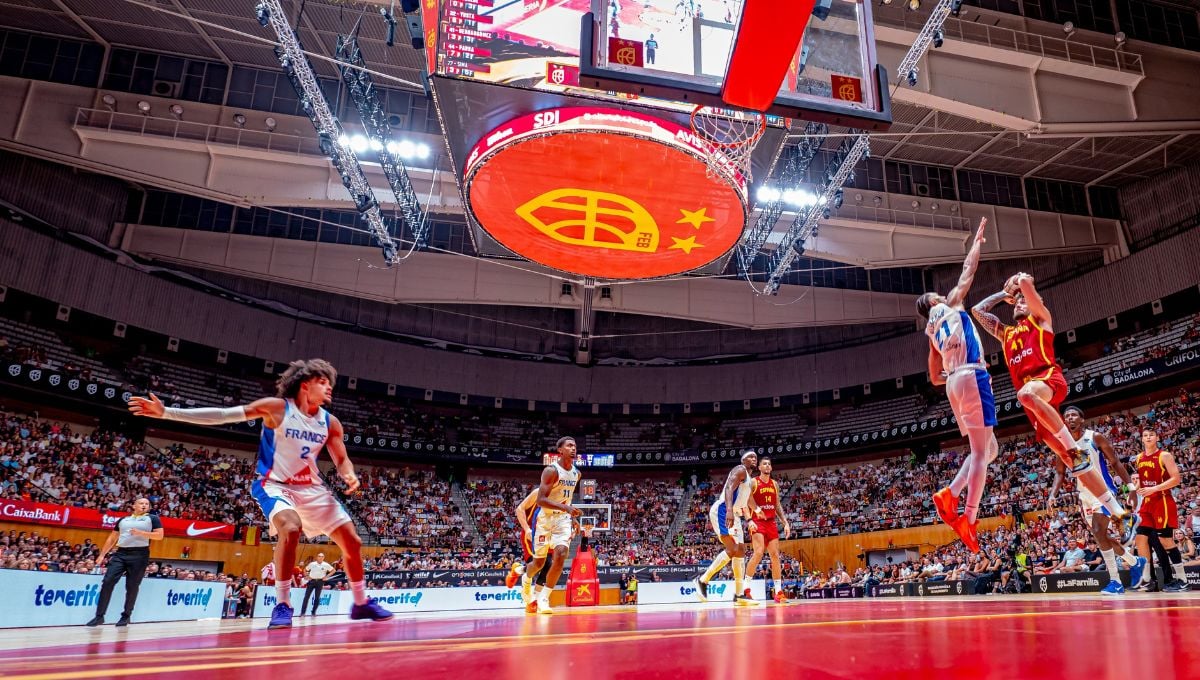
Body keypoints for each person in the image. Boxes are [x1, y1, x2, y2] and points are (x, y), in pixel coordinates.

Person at [128, 358, 393, 629]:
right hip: (275, 484)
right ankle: (283, 604)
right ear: (305, 385)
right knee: (291, 528)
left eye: (330, 384)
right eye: (322, 382)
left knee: (353, 542)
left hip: (312, 488)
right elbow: (224, 415)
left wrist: (348, 473)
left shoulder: (330, 422)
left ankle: (360, 603)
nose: (329, 388)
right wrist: (167, 412)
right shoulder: (277, 408)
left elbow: (341, 459)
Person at [972, 272, 1136, 542]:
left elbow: (1028, 287)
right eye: (1017, 302)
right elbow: (978, 311)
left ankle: (1075, 450)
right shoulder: (1006, 334)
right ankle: (1121, 514)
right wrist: (1005, 294)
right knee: (1075, 466)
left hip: (1048, 380)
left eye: (1024, 301)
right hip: (1034, 403)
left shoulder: (1041, 319)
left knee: (1025, 394)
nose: (1019, 303)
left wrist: (1022, 281)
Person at [917, 218, 997, 553]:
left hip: (952, 383)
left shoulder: (930, 331)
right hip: (971, 374)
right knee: (980, 452)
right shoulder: (949, 303)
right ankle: (969, 516)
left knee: (989, 450)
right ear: (932, 301)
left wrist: (952, 373)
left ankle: (950, 492)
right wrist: (976, 243)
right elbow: (968, 270)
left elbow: (933, 375)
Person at [1046, 406, 1146, 594]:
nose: (1070, 418)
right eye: (1067, 416)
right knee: (1102, 537)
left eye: (1074, 415)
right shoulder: (1063, 444)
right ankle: (1135, 562)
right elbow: (1060, 473)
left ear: (1082, 419)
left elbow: (1115, 462)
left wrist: (1131, 487)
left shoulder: (1095, 437)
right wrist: (1053, 494)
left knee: (1099, 532)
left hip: (1103, 489)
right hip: (1084, 496)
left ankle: (1115, 581)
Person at [521, 437, 582, 615]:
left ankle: (544, 598)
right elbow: (541, 500)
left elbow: (567, 499)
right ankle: (526, 579)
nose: (573, 448)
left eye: (575, 446)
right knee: (539, 563)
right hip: (544, 519)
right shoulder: (551, 470)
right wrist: (566, 508)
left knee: (561, 554)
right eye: (569, 446)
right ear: (560, 450)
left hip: (562, 520)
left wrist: (571, 516)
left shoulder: (577, 474)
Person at [692, 450, 761, 606]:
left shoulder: (749, 480)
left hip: (736, 514)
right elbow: (729, 487)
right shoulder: (740, 469)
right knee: (732, 548)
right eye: (750, 457)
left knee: (740, 551)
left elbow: (748, 499)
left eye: (755, 457)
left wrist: (756, 511)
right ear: (743, 460)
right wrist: (729, 510)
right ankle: (702, 580)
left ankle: (739, 594)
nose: (753, 458)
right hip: (723, 510)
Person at [86, 497, 163, 627]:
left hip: (140, 554)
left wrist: (141, 533)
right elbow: (112, 538)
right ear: (134, 506)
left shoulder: (152, 519)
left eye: (147, 504)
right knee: (107, 581)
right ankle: (99, 616)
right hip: (120, 553)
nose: (144, 505)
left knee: (132, 586)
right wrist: (102, 555)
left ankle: (126, 616)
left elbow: (160, 536)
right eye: (141, 503)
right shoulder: (123, 520)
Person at [1131, 428, 1189, 592]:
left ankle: (1183, 580)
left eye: (1151, 435)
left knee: (1165, 541)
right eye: (1145, 435)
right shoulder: (1139, 458)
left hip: (1162, 501)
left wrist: (1154, 488)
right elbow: (1143, 481)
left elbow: (1176, 479)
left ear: (1157, 438)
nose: (1148, 437)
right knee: (1140, 540)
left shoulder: (1164, 455)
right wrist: (1135, 489)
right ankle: (1148, 580)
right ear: (1142, 439)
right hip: (1147, 503)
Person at [744, 457, 791, 603]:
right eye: (764, 464)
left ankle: (778, 592)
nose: (767, 465)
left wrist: (785, 522)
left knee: (775, 555)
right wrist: (749, 520)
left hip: (771, 522)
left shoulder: (774, 484)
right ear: (759, 467)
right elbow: (746, 501)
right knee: (758, 552)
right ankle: (746, 589)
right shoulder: (753, 482)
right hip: (757, 521)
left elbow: (777, 505)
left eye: (769, 464)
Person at [505, 486, 551, 613]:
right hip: (532, 534)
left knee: (549, 566)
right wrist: (527, 529)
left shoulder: (561, 495)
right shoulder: (538, 493)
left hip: (547, 534)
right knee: (541, 564)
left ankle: (534, 600)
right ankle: (529, 596)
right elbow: (519, 509)